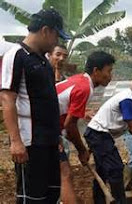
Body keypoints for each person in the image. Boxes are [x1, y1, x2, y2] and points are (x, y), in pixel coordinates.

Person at [1, 9, 70, 203]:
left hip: (48, 141)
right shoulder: (16, 56)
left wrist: (55, 136)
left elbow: (48, 100)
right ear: (46, 30)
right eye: (57, 36)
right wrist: (15, 141)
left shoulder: (44, 61)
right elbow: (7, 99)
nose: (56, 42)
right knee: (32, 197)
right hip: (30, 142)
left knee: (51, 194)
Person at [83, 72, 132, 203]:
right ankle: (120, 201)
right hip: (99, 134)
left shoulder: (131, 100)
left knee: (102, 170)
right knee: (116, 168)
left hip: (97, 134)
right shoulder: (127, 99)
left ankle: (99, 200)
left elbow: (131, 127)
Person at [55, 51, 115, 203]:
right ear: (96, 71)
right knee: (65, 174)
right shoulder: (85, 88)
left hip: (46, 127)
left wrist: (83, 112)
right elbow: (70, 126)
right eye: (109, 71)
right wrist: (82, 150)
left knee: (58, 175)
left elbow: (65, 104)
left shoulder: (80, 80)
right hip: (42, 128)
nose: (110, 76)